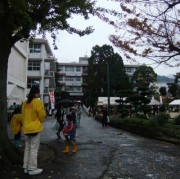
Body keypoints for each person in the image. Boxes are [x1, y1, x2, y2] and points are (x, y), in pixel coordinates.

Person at [22, 86, 46, 176]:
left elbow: (23, 115)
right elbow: (42, 115)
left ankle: (25, 167)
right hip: (35, 128)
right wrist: (40, 121)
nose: (39, 94)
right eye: (38, 93)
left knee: (27, 147)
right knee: (34, 149)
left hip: (26, 128)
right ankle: (32, 168)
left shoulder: (25, 102)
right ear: (36, 93)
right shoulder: (37, 101)